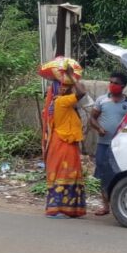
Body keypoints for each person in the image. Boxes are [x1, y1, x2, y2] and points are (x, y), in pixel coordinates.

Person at [89, 72, 127, 215]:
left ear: (123, 86)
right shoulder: (102, 100)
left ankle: (119, 204)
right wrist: (99, 128)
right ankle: (105, 206)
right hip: (103, 144)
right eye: (110, 82)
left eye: (115, 83)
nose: (112, 85)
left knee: (118, 173)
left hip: (120, 146)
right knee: (102, 173)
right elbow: (92, 118)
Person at [42, 79, 88, 218]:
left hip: (61, 142)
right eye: (66, 86)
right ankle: (60, 209)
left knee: (65, 173)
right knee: (65, 174)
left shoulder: (58, 103)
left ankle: (65, 208)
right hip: (63, 144)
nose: (69, 88)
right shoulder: (62, 102)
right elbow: (82, 93)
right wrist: (72, 78)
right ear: (60, 89)